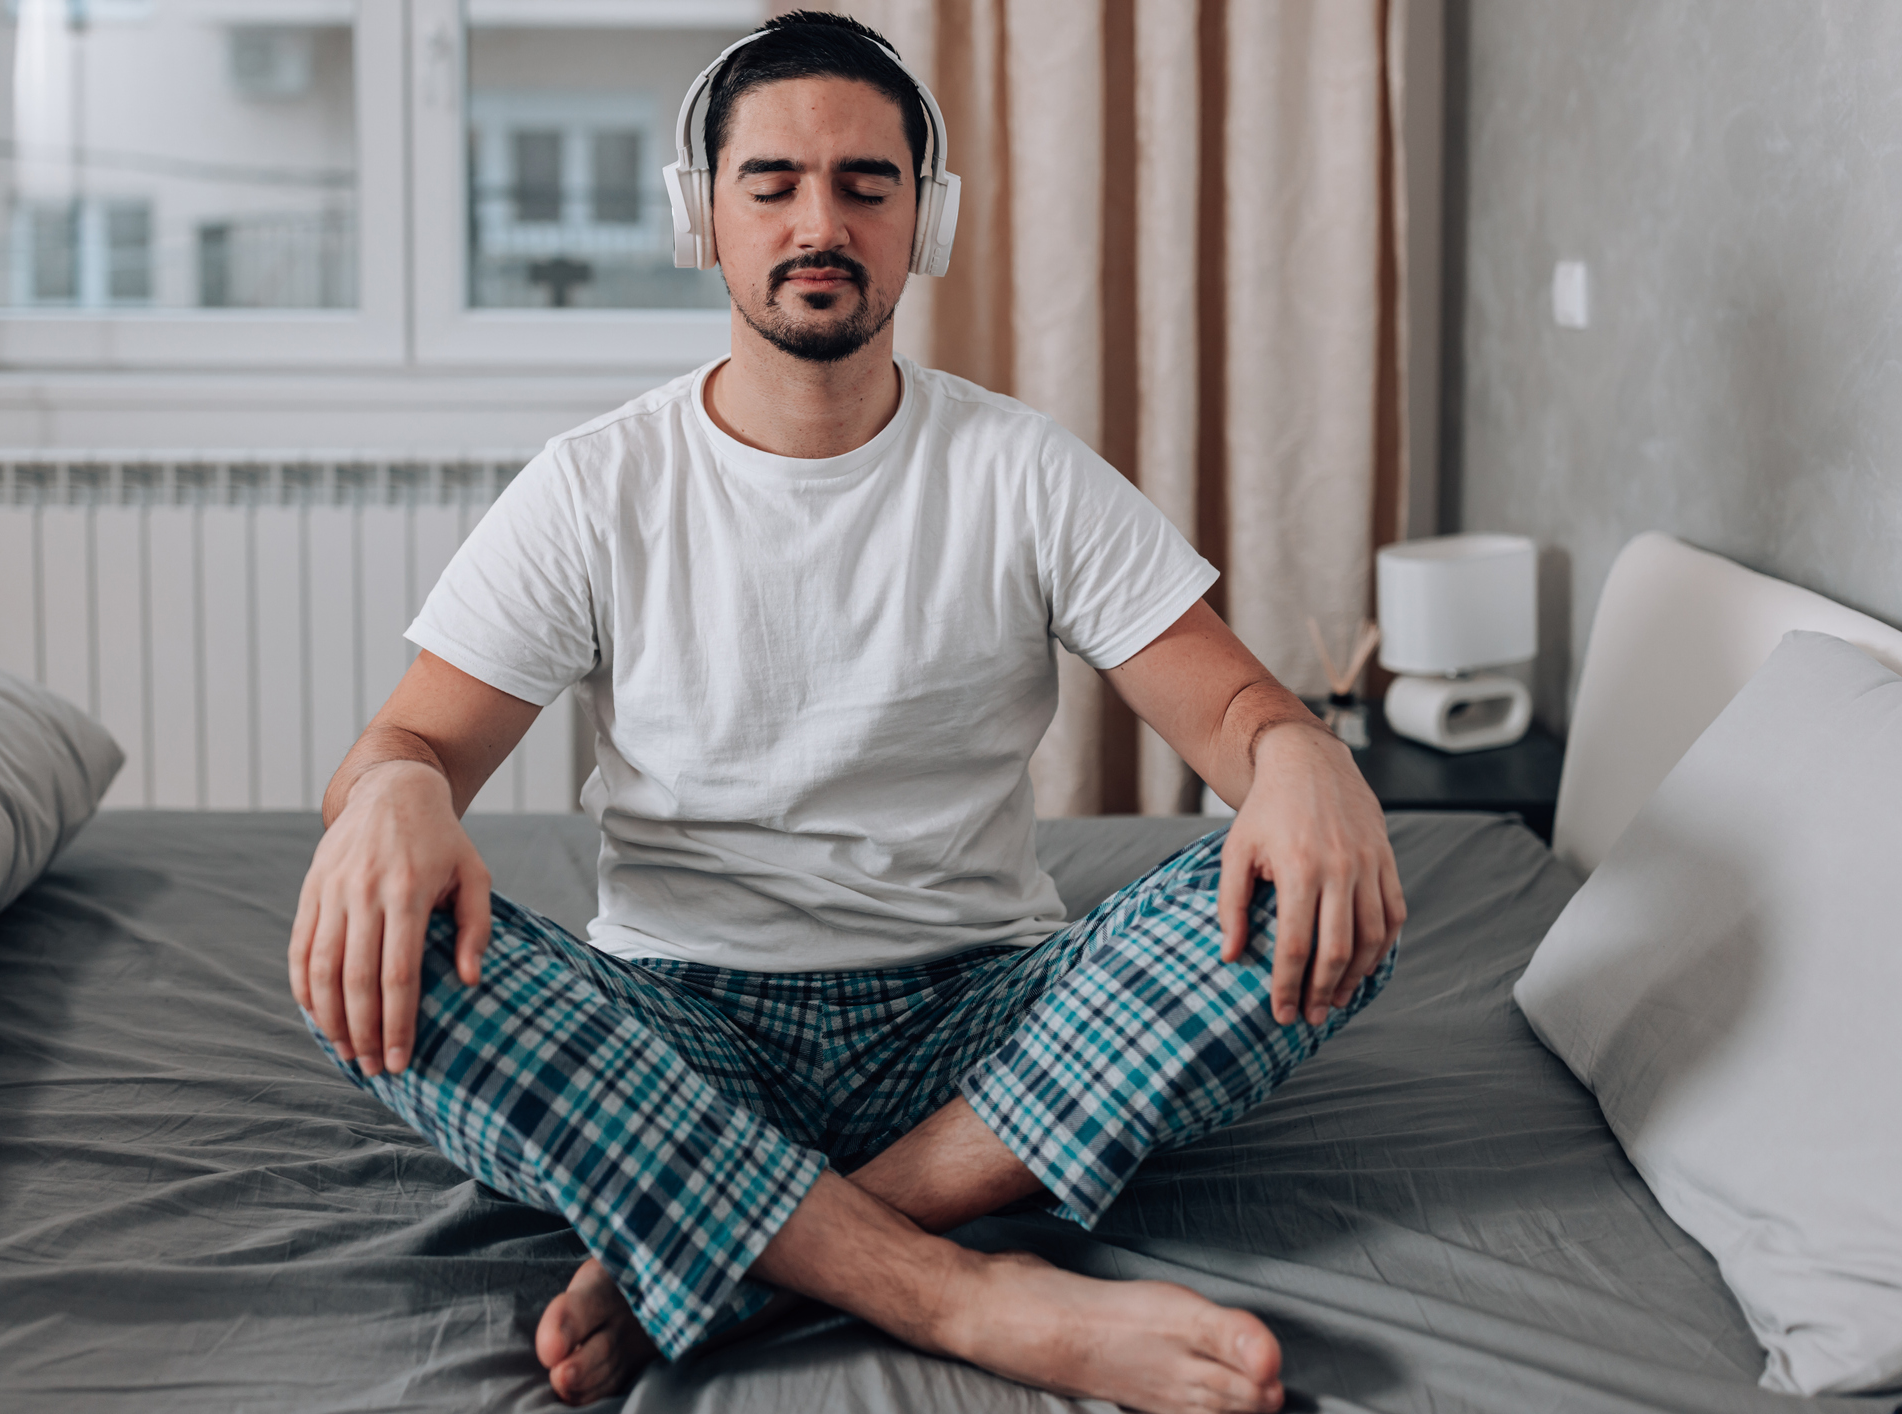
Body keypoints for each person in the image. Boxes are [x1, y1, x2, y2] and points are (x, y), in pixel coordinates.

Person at [288, 13, 1403, 1414]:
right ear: (704, 215)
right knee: (371, 957)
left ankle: (736, 1246)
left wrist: (1301, 751)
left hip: (981, 1018)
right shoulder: (595, 485)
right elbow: (408, 747)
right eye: (774, 183)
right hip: (674, 1021)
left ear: (922, 223)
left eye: (866, 184)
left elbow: (1234, 705)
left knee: (1331, 897)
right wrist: (393, 789)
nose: (821, 221)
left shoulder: (1020, 467)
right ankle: (971, 1294)